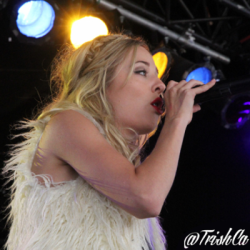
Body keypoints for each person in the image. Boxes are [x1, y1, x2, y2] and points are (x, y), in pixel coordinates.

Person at [3, 33, 216, 250]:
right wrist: (176, 120)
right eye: (142, 72)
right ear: (100, 82)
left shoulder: (129, 161)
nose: (161, 85)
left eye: (157, 75)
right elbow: (147, 198)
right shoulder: (66, 124)